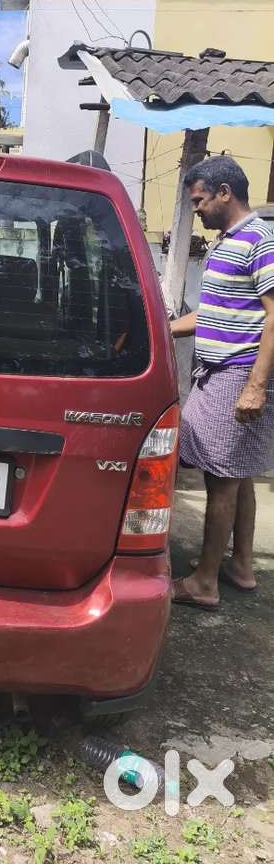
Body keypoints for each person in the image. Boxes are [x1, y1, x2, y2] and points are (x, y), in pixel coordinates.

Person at [170, 155, 274, 610]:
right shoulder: (228, 242)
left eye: (199, 200)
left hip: (236, 375)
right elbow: (212, 315)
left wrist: (255, 385)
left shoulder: (259, 240)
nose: (196, 210)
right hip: (223, 372)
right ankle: (241, 565)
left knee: (220, 479)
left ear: (224, 192)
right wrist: (159, 324)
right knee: (238, 472)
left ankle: (204, 582)